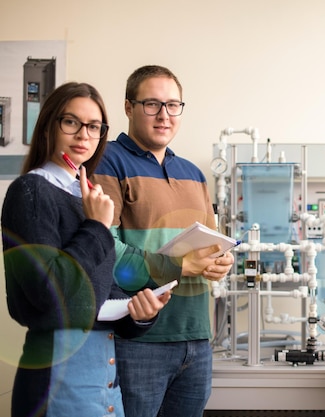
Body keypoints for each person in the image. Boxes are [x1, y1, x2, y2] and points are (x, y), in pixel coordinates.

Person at [1, 82, 171, 417]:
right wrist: (96, 227)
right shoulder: (31, 192)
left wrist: (139, 312)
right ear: (49, 124)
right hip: (59, 377)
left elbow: (98, 291)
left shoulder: (87, 197)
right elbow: (49, 293)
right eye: (71, 122)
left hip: (104, 376)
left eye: (94, 126)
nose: (84, 135)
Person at [91, 65, 234, 417]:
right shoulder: (106, 161)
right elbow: (104, 249)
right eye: (152, 104)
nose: (164, 115)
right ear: (128, 107)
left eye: (173, 105)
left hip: (197, 336)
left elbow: (210, 247)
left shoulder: (194, 174)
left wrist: (221, 263)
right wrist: (177, 265)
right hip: (139, 339)